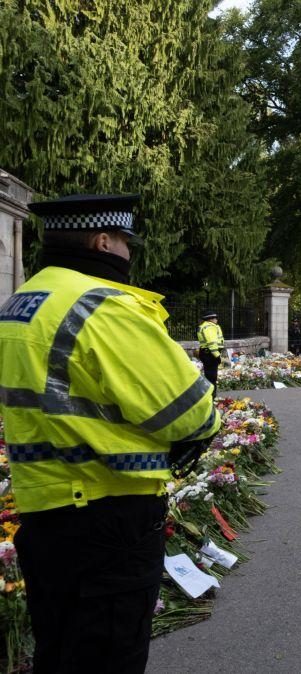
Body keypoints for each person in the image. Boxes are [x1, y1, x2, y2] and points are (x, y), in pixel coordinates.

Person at [0, 194, 221, 673]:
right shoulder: (101, 307)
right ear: (103, 240)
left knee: (58, 653)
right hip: (109, 517)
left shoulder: (20, 303)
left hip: (44, 513)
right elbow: (191, 413)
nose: (128, 253)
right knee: (108, 657)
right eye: (125, 242)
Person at [197, 311, 225, 396]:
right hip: (210, 354)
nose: (216, 319)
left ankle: (210, 394)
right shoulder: (209, 327)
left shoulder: (205, 326)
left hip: (207, 353)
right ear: (210, 319)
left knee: (209, 375)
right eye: (215, 318)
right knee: (212, 376)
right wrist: (217, 356)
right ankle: (211, 395)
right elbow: (211, 342)